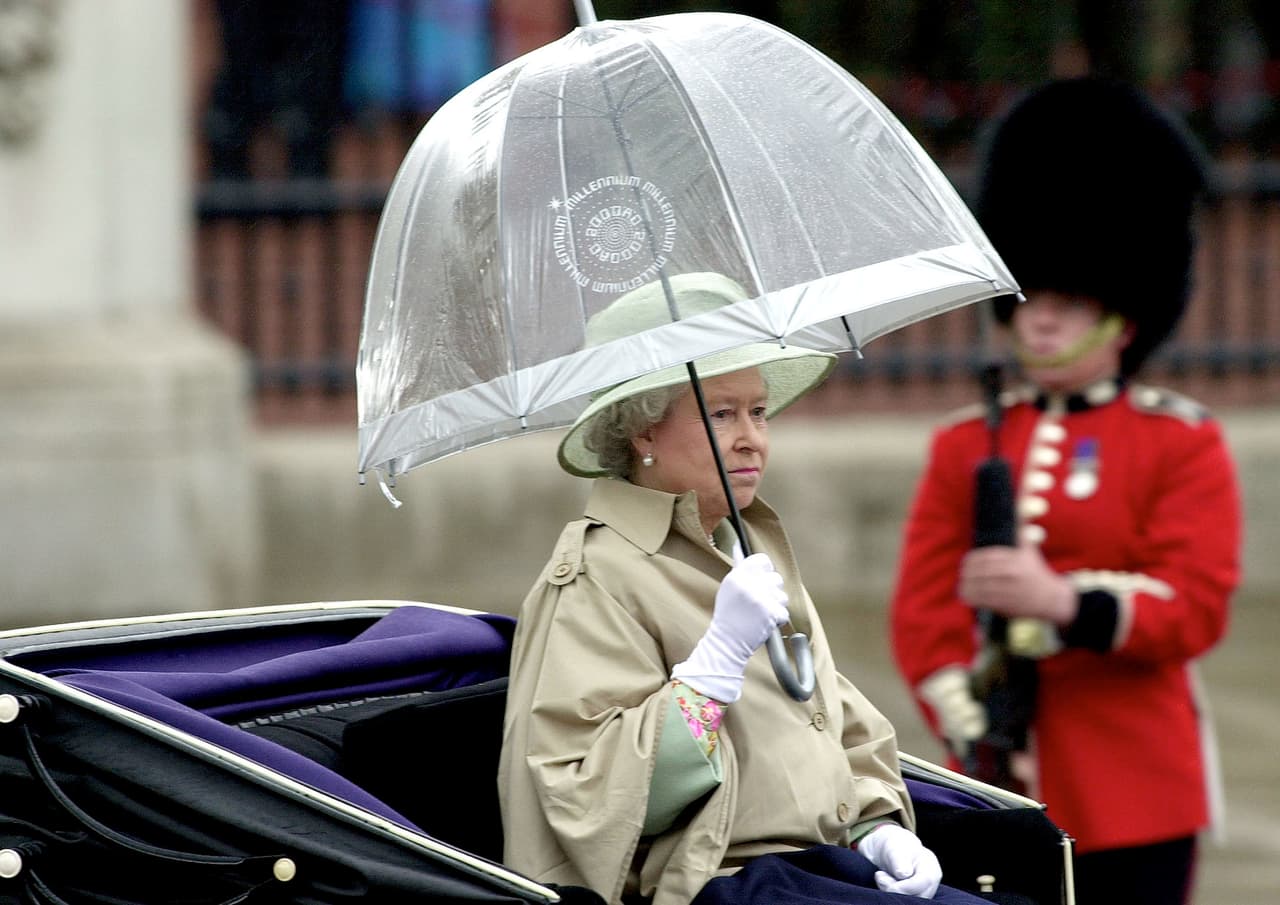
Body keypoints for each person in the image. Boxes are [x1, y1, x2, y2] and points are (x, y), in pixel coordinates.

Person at [499, 273, 991, 905]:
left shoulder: (746, 544)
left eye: (757, 412)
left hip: (819, 868)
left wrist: (875, 827)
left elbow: (831, 715)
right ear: (642, 432)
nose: (751, 438)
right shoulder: (598, 572)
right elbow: (590, 795)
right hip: (715, 884)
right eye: (720, 414)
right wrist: (711, 668)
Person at [889, 78, 1243, 905]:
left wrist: (1059, 599)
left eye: (1069, 300)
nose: (1040, 321)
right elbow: (922, 609)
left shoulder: (1179, 440)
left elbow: (1194, 602)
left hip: (1138, 784)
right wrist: (967, 715)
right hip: (1000, 778)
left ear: (1122, 315)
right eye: (1030, 300)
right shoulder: (964, 442)